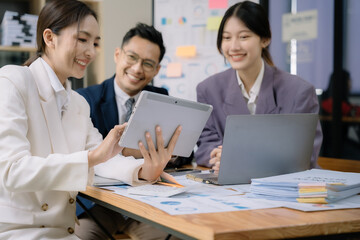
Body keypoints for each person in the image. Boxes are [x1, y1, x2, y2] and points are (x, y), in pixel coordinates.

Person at [0, 0, 180, 239]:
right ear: (49, 37)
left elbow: (103, 158)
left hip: (64, 232)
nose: (91, 52)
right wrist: (94, 156)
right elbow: (11, 170)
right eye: (82, 39)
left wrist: (145, 171)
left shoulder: (77, 103)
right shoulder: (13, 80)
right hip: (20, 232)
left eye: (95, 43)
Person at [74, 23, 185, 240]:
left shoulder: (161, 96)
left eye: (148, 63)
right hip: (99, 203)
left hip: (148, 202)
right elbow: (86, 155)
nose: (137, 69)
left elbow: (184, 151)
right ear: (118, 54)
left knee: (176, 236)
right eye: (132, 57)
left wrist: (171, 154)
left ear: (157, 70)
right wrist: (131, 153)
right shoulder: (86, 99)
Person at [195, 1, 323, 171]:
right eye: (226, 38)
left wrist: (239, 159)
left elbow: (306, 156)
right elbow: (205, 146)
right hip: (229, 187)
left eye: (244, 37)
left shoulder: (299, 91)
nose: (233, 47)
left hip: (282, 187)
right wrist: (219, 157)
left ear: (265, 39)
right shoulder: (208, 89)